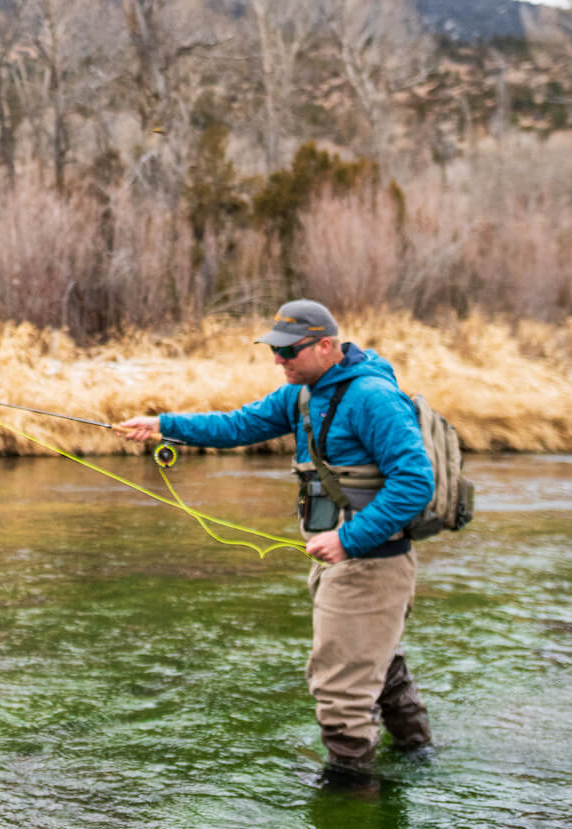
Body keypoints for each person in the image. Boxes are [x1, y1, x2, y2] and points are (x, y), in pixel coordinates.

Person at [114, 298, 435, 777]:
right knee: (378, 662)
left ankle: (351, 804)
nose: (278, 360)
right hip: (340, 560)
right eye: (274, 351)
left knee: (340, 693)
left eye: (289, 352)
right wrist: (163, 425)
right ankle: (419, 757)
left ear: (326, 346)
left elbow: (415, 481)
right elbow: (238, 425)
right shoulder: (303, 393)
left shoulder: (372, 397)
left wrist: (348, 541)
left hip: (370, 562)